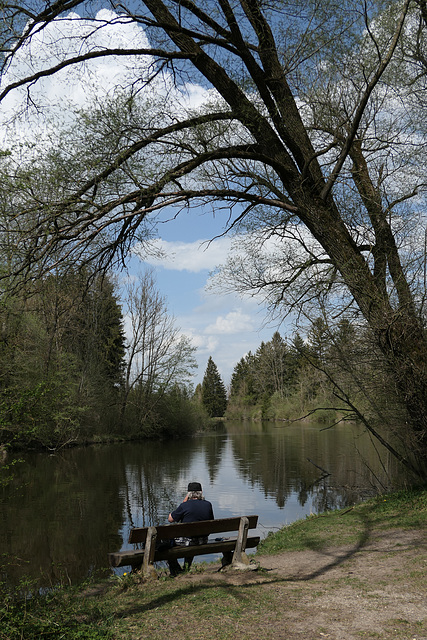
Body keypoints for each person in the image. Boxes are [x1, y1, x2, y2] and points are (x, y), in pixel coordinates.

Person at [167, 481, 214, 576]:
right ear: (201, 492)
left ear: (189, 493)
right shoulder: (208, 504)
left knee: (166, 544)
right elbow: (211, 522)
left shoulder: (185, 505)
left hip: (188, 541)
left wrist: (183, 503)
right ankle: (186, 568)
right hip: (203, 540)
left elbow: (170, 519)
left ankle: (176, 570)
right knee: (191, 537)